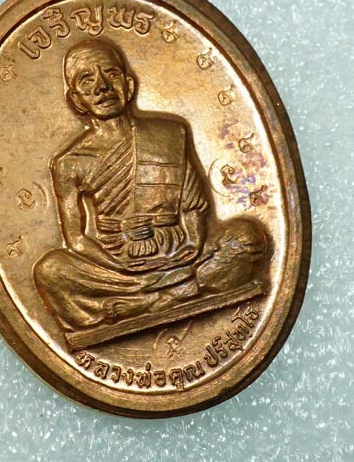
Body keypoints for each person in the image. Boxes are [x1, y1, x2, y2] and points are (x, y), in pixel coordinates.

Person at [33, 38, 267, 343]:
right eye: (87, 80)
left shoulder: (169, 133)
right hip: (118, 268)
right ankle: (172, 295)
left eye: (111, 74)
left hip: (182, 253)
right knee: (50, 271)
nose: (102, 87)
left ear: (129, 85)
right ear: (76, 100)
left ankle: (145, 303)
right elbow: (76, 239)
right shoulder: (70, 163)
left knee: (247, 237)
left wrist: (192, 245)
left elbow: (193, 207)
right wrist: (122, 265)